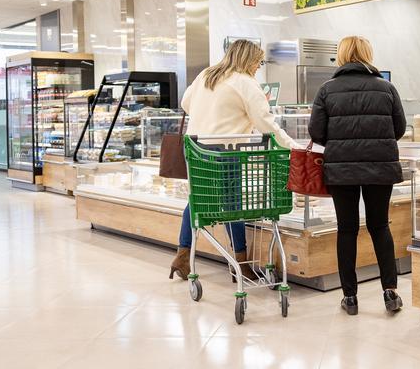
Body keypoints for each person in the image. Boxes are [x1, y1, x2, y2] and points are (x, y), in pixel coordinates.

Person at [169, 40, 297, 281]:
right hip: (225, 152)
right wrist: (293, 147)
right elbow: (266, 123)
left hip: (196, 149)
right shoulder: (246, 82)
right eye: (259, 62)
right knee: (233, 206)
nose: (258, 66)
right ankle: (241, 262)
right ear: (249, 60)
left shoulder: (208, 74)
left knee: (199, 200)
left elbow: (186, 102)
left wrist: (212, 113)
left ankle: (183, 255)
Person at [308, 36, 407, 315]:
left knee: (347, 229)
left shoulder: (327, 89)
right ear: (368, 54)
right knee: (380, 226)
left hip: (341, 169)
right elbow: (399, 128)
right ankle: (390, 293)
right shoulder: (386, 88)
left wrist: (340, 142)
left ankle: (350, 297)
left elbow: (316, 132)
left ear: (341, 56)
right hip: (380, 167)